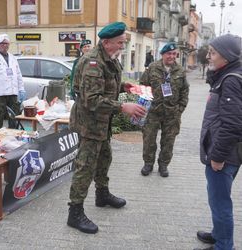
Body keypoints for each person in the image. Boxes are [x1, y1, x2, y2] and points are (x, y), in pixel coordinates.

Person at [67, 22, 146, 234]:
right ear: (106, 42)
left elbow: (104, 86)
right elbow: (91, 99)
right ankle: (74, 212)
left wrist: (123, 87)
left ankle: (102, 195)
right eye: (120, 43)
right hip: (90, 123)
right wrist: (122, 106)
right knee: (85, 166)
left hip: (102, 123)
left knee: (105, 158)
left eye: (123, 42)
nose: (122, 46)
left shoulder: (108, 58)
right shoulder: (93, 62)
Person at [194, 34, 242, 250]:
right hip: (227, 151)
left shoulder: (231, 79)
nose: (209, 57)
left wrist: (217, 157)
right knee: (217, 199)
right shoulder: (228, 75)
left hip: (224, 154)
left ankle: (224, 245)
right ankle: (218, 234)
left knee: (221, 202)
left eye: (213, 53)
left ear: (226, 56)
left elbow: (232, 124)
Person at [140, 42, 189, 177]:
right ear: (163, 54)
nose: (172, 56)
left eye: (174, 54)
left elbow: (185, 91)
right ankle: (148, 164)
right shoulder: (152, 68)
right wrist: (145, 104)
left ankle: (163, 165)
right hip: (153, 111)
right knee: (149, 139)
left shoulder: (180, 71)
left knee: (168, 141)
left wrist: (180, 109)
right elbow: (143, 85)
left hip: (172, 113)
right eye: (169, 54)